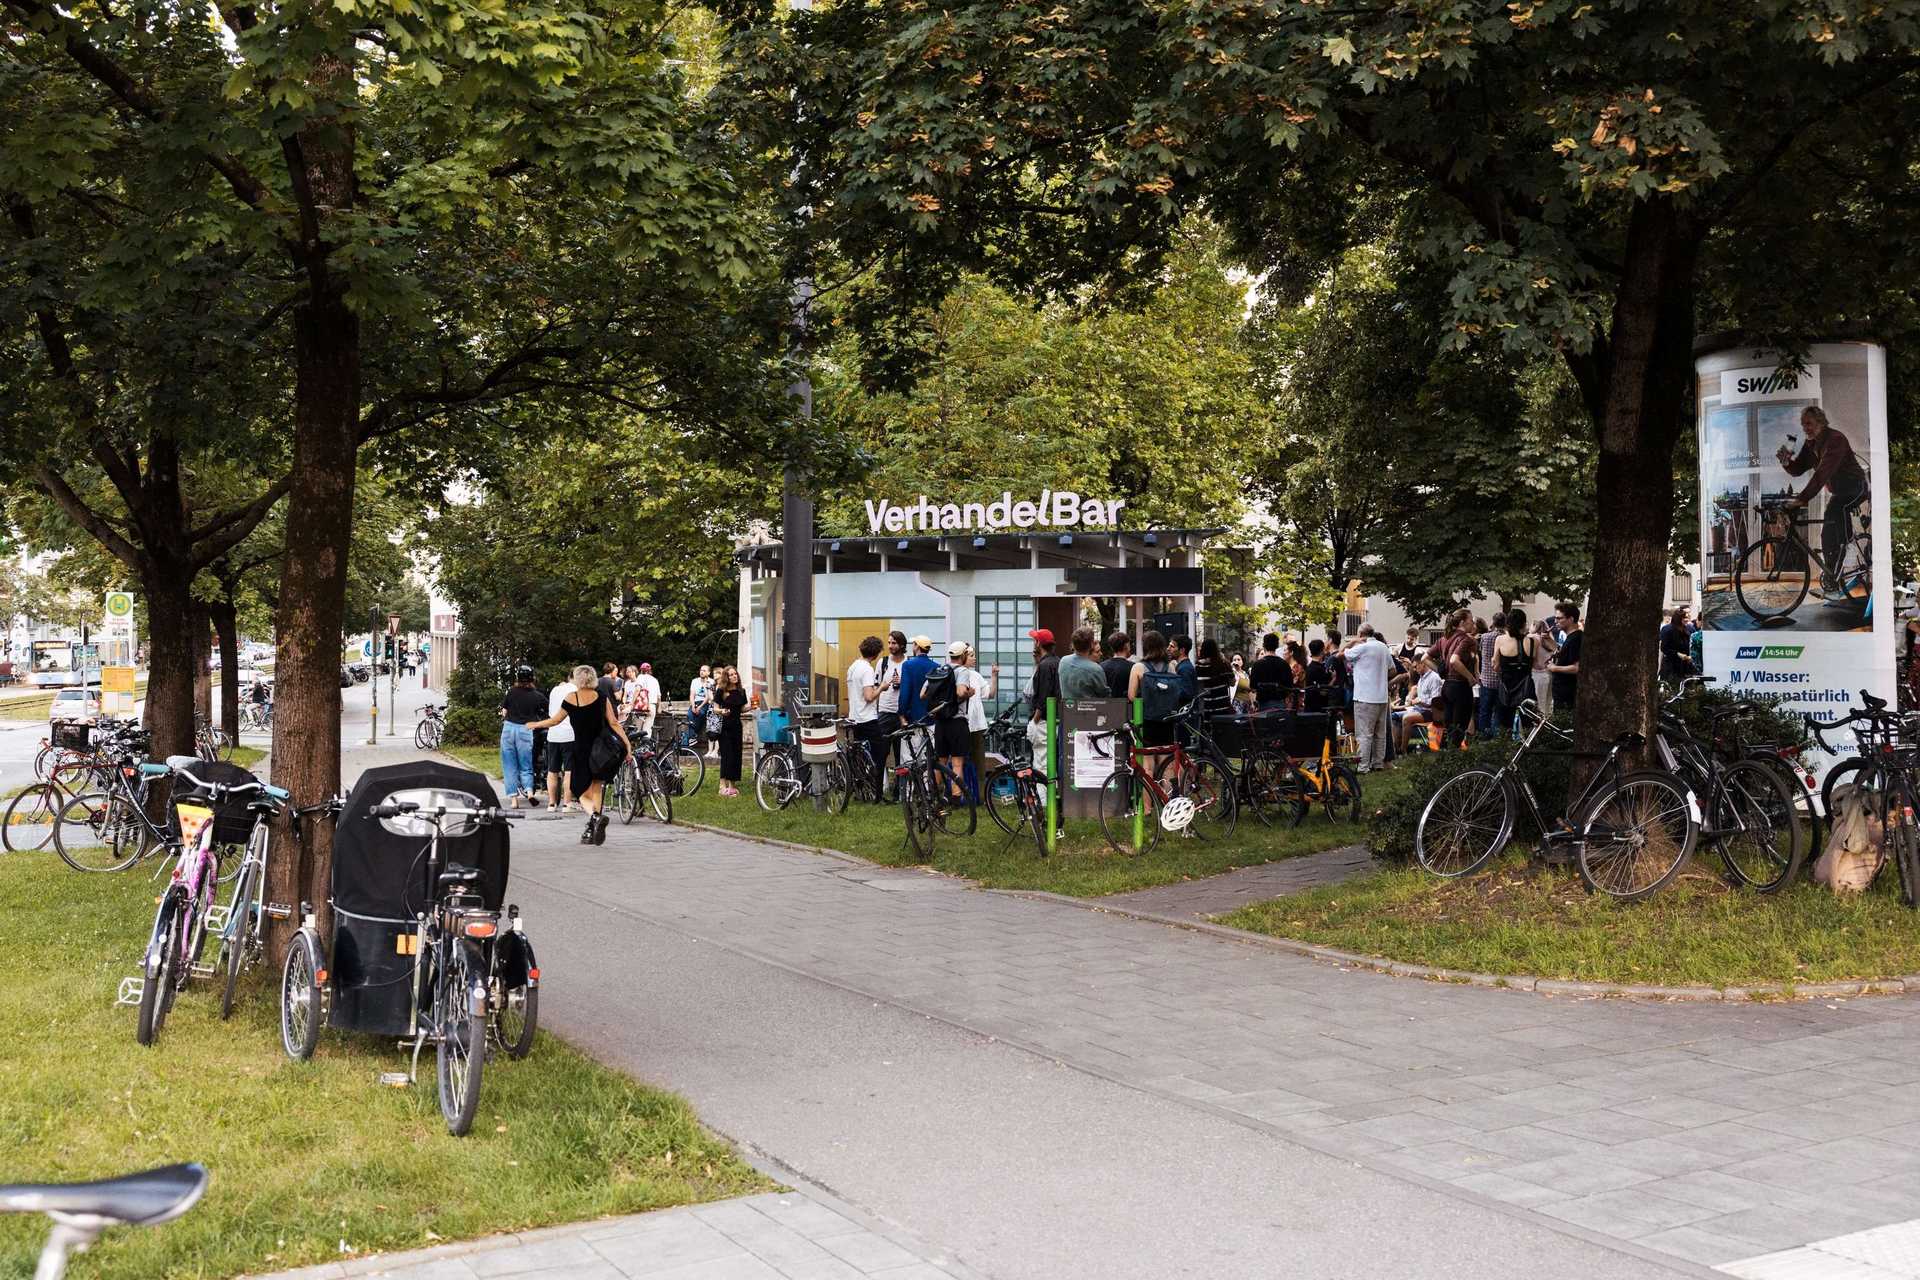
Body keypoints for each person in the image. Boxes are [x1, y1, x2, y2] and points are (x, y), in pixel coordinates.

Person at [527, 664, 632, 845]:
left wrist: (535, 724)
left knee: (579, 790)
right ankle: (593, 827)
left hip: (581, 750)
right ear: (593, 678)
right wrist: (628, 745)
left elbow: (555, 720)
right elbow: (614, 723)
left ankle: (595, 817)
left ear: (577, 679)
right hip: (602, 750)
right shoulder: (602, 697)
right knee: (597, 787)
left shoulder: (572, 697)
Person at [1777, 404, 1870, 600]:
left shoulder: (1835, 440)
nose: (1805, 428)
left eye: (1809, 424)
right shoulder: (1811, 444)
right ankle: (1832, 579)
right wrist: (1786, 461)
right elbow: (1798, 469)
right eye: (1803, 424)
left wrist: (1801, 499)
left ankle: (1850, 550)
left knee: (1837, 512)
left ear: (1820, 422)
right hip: (1839, 492)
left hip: (1856, 487)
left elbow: (1823, 473)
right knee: (1827, 532)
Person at [1345, 625, 1392, 773]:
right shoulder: (1384, 647)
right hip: (1382, 696)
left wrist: (1353, 642)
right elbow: (1393, 669)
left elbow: (1343, 654)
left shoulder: (1362, 647)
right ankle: (1378, 763)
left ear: (1361, 634)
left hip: (1365, 696)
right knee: (1380, 733)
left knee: (1364, 733)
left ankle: (1363, 766)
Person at [498, 665, 545, 807]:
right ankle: (529, 792)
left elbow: (504, 712)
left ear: (518, 678)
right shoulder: (537, 695)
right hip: (526, 729)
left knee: (509, 765)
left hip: (508, 728)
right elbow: (546, 710)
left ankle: (513, 800)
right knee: (526, 765)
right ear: (532, 678)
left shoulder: (511, 692)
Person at [956, 643, 996, 795]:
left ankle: (979, 793)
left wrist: (994, 675)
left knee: (979, 761)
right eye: (971, 655)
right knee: (960, 760)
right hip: (962, 723)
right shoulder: (956, 674)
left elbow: (990, 694)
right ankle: (961, 793)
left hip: (977, 725)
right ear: (963, 656)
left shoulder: (976, 676)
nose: (974, 658)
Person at [846, 637, 884, 784]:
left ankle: (861, 789)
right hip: (867, 718)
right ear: (875, 654)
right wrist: (881, 687)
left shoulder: (853, 667)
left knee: (859, 757)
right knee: (879, 755)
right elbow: (869, 696)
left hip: (855, 718)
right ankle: (877, 792)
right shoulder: (867, 669)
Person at [1494, 609, 1537, 735]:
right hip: (1526, 687)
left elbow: (1496, 666)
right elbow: (1534, 665)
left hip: (1506, 688)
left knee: (1505, 724)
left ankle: (1507, 750)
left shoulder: (1500, 640)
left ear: (1508, 623)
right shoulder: (1533, 641)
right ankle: (1526, 750)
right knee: (1527, 723)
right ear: (1524, 624)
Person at [875, 631, 907, 797]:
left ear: (902, 645)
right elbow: (875, 685)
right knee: (882, 753)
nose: (890, 646)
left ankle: (898, 792)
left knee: (901, 755)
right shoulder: (883, 662)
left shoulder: (908, 663)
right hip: (885, 712)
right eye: (889, 643)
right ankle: (878, 793)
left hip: (902, 713)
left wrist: (903, 683)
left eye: (894, 643)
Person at [1440, 610, 1477, 748]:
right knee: (1459, 727)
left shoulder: (1445, 638)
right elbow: (1455, 660)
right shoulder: (1466, 639)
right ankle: (1454, 758)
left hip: (1447, 686)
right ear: (1462, 622)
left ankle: (1446, 756)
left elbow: (1426, 658)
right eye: (1471, 620)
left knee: (1449, 725)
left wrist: (1441, 672)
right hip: (1460, 687)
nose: (1473, 623)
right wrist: (1470, 677)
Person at [1394, 657, 1446, 754]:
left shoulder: (1434, 678)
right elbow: (1416, 696)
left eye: (1415, 666)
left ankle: (1403, 750)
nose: (1414, 669)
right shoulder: (1422, 678)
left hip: (1430, 711)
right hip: (1418, 709)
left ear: (1422, 663)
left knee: (1406, 718)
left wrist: (1419, 701)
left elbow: (1436, 701)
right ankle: (1396, 749)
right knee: (1394, 716)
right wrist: (1412, 696)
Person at [544, 670, 577, 813]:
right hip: (570, 734)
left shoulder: (555, 690)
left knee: (552, 770)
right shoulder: (576, 690)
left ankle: (551, 804)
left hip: (553, 734)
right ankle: (567, 804)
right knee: (569, 771)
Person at [712, 666, 748, 796]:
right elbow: (715, 708)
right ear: (727, 677)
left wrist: (752, 706)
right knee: (727, 755)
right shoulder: (721, 691)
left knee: (736, 755)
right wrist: (722, 711)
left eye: (735, 674)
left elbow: (742, 709)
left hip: (737, 727)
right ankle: (722, 785)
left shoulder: (741, 691)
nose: (734, 676)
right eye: (731, 674)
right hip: (725, 727)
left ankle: (732, 785)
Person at [897, 635, 939, 749]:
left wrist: (901, 714)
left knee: (909, 756)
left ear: (917, 646)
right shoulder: (936, 667)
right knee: (929, 756)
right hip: (931, 717)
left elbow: (905, 692)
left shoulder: (908, 665)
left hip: (912, 717)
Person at [1547, 602, 1583, 716]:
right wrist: (1549, 641)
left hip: (1567, 696)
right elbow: (1563, 653)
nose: (1555, 622)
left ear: (1571, 619)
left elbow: (1577, 667)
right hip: (1561, 694)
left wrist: (1554, 668)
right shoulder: (1571, 637)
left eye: (1559, 618)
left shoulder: (1576, 638)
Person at [1059, 626, 1110, 701]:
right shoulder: (1095, 669)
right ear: (1091, 645)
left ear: (1073, 644)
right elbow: (1105, 695)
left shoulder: (1063, 661)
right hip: (1089, 710)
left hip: (1067, 709)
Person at [1249, 632, 1293, 710]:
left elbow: (1253, 687)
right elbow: (1289, 687)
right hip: (1280, 703)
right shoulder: (1284, 664)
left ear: (1264, 646)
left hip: (1262, 704)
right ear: (1277, 645)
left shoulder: (1257, 664)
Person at [1192, 637, 1233, 720]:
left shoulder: (1199, 665)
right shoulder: (1223, 663)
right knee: (1222, 729)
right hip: (1223, 705)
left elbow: (1198, 685)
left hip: (1206, 705)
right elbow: (1232, 682)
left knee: (1207, 730)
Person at [1476, 615, 1502, 738]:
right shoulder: (1506, 638)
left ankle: (1484, 734)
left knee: (1484, 710)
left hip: (1486, 679)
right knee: (1498, 711)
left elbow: (1480, 652)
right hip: (1500, 680)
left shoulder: (1485, 637)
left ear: (1494, 622)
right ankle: (1497, 735)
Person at [1659, 607, 1696, 682]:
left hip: (1687, 667)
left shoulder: (1690, 629)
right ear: (1678, 619)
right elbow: (1664, 648)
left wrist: (1691, 656)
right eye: (1684, 618)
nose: (1686, 619)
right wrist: (1678, 654)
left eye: (1687, 617)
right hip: (1671, 666)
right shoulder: (1667, 629)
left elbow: (1693, 645)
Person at [1531, 618, 1559, 714]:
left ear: (1535, 626)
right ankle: (1547, 725)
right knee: (1548, 704)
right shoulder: (1550, 640)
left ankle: (1540, 727)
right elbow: (1556, 650)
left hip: (1538, 674)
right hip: (1549, 673)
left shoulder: (1533, 638)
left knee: (1539, 704)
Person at [687, 664, 714, 754]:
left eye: (704, 670)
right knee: (690, 714)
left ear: (709, 672)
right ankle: (693, 736)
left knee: (701, 713)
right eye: (701, 670)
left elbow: (708, 697)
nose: (701, 672)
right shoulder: (694, 681)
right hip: (695, 702)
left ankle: (693, 734)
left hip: (705, 703)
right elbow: (692, 695)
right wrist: (694, 705)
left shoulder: (711, 682)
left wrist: (700, 707)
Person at [632, 661, 662, 741]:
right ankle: (645, 749)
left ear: (641, 670)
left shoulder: (640, 677)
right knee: (647, 730)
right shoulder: (655, 680)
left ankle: (636, 749)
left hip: (641, 707)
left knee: (637, 730)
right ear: (650, 670)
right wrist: (659, 708)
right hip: (652, 706)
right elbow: (659, 696)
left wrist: (631, 704)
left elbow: (637, 690)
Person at [1101, 631, 1135, 699]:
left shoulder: (1101, 666)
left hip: (1106, 706)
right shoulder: (1133, 668)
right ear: (1126, 645)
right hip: (1126, 707)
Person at [1170, 635, 1198, 704]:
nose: (1168, 649)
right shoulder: (1183, 666)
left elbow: (1186, 694)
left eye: (1172, 646)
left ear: (1182, 650)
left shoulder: (1184, 669)